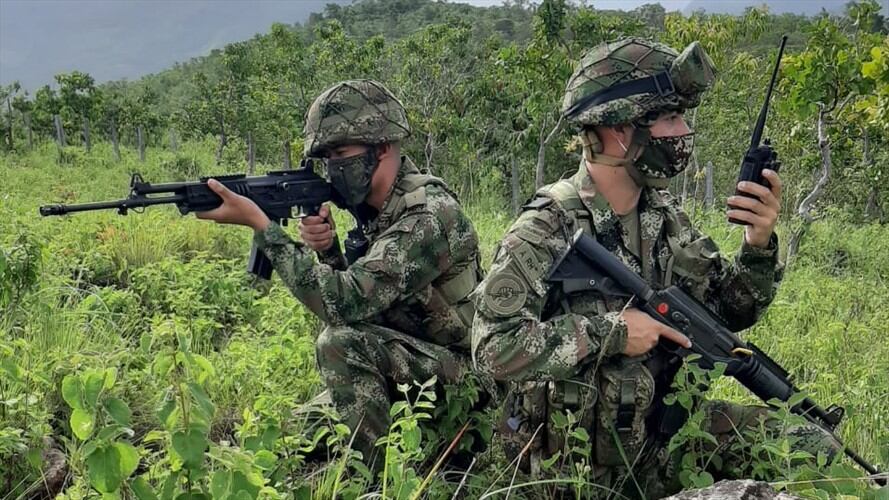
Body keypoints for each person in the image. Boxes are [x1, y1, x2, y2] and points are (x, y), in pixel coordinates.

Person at [471, 38, 838, 497]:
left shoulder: (665, 217)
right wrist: (614, 331)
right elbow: (491, 351)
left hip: (658, 444)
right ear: (620, 128)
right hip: (570, 473)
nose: (682, 131)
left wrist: (757, 243)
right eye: (669, 117)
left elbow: (730, 312)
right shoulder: (546, 227)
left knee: (812, 445)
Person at [195, 79, 484, 467]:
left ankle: (385, 480)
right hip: (412, 360)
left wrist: (263, 228)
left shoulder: (428, 215)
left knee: (338, 343)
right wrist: (329, 252)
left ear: (381, 146)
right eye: (326, 156)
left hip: (467, 381)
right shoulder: (380, 210)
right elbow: (374, 297)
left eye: (341, 152)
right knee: (286, 438)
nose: (333, 167)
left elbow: (344, 303)